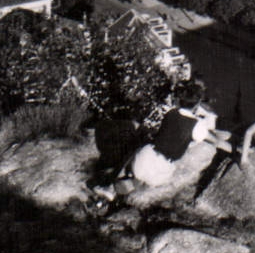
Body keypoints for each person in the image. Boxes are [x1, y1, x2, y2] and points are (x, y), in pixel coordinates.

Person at [94, 82, 232, 201]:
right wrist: (234, 149)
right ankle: (123, 190)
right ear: (197, 105)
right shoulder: (196, 125)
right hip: (162, 170)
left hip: (145, 158)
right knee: (141, 179)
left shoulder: (171, 113)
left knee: (139, 152)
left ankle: (111, 188)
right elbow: (216, 141)